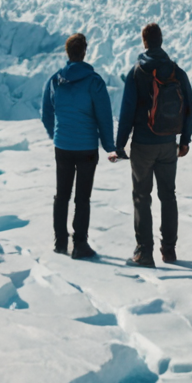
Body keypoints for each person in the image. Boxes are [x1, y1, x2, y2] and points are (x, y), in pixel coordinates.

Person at [111, 22, 192, 266]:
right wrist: (185, 140)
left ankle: (144, 252)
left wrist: (120, 144)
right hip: (168, 144)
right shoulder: (176, 71)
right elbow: (189, 107)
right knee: (168, 195)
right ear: (161, 41)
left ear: (145, 42)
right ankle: (169, 250)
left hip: (143, 146)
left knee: (141, 196)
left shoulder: (137, 72)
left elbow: (126, 113)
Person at [40, 32, 114, 259]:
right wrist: (109, 146)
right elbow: (104, 116)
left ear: (67, 53)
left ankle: (60, 242)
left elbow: (46, 113)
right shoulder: (94, 82)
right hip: (86, 148)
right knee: (82, 197)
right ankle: (80, 244)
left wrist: (57, 134)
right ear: (84, 52)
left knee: (61, 194)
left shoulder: (55, 80)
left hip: (63, 146)